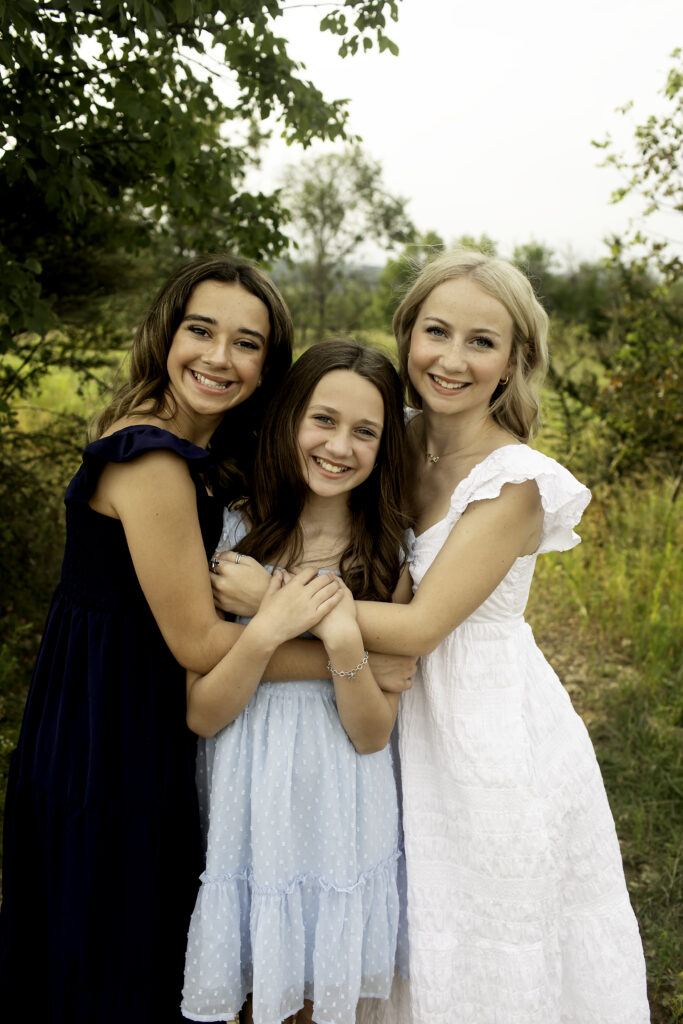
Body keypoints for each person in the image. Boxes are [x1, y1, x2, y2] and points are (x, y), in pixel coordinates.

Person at [214, 252, 650, 1023]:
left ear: (515, 360)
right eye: (435, 332)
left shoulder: (513, 480)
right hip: (377, 707)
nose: (452, 359)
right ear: (405, 333)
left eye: (481, 342)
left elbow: (419, 625)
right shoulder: (392, 437)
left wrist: (271, 593)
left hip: (477, 722)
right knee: (395, 914)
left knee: (472, 924)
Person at [0, 254, 312, 1024]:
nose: (217, 356)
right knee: (117, 945)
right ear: (165, 334)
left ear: (268, 365)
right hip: (110, 733)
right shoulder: (151, 458)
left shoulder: (193, 449)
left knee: (109, 937)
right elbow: (201, 643)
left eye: (246, 343)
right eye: (199, 330)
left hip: (115, 711)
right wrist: (347, 660)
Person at [180, 341, 410, 1024]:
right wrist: (269, 623)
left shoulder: (386, 554)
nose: (340, 446)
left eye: (364, 431)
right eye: (323, 420)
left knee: (312, 1000)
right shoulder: (232, 537)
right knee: (251, 996)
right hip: (250, 812)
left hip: (343, 815)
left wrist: (340, 629)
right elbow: (200, 712)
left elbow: (372, 735)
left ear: (383, 446)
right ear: (287, 421)